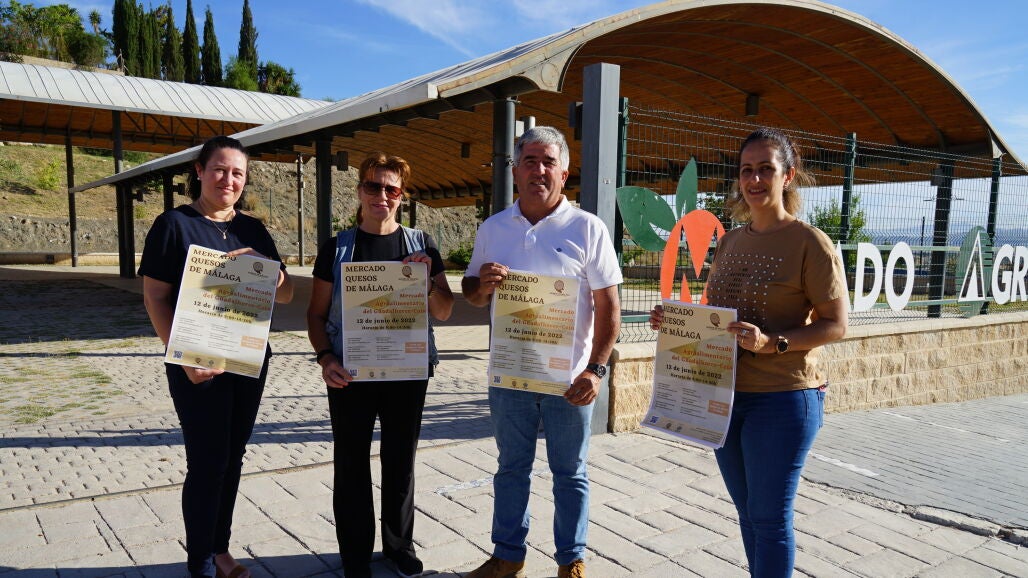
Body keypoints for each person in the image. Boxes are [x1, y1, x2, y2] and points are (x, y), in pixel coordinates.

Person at [649, 127, 847, 578]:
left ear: (787, 175)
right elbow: (721, 317)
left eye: (766, 170)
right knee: (748, 513)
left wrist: (771, 343)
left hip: (784, 397)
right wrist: (676, 321)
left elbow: (836, 325)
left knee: (770, 519)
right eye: (746, 170)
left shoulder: (810, 243)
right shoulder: (731, 241)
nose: (755, 180)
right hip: (726, 395)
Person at [462, 126, 622, 578]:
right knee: (511, 468)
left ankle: (571, 560)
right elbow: (471, 293)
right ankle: (507, 555)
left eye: (549, 162)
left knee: (570, 472)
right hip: (510, 375)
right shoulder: (493, 228)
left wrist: (595, 370)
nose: (539, 170)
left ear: (564, 173)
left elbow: (609, 306)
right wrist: (482, 285)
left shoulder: (587, 228)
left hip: (568, 380)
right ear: (515, 171)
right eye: (529, 161)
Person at [140, 135, 295, 578]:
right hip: (197, 363)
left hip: (247, 358)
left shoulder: (254, 230)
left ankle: (220, 548)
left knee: (233, 457)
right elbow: (155, 297)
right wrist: (182, 357)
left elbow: (286, 295)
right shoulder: (174, 225)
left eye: (237, 173)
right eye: (220, 170)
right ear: (200, 171)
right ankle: (201, 562)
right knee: (207, 462)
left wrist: (275, 274)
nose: (229, 180)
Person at [306, 152, 454, 578]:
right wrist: (325, 357)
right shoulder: (337, 248)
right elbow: (315, 315)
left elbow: (444, 311)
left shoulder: (422, 245)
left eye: (392, 189)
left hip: (406, 372)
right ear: (359, 191)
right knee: (351, 462)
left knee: (400, 460)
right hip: (350, 372)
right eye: (374, 186)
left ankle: (398, 546)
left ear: (401, 196)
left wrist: (428, 283)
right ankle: (355, 555)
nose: (382, 196)